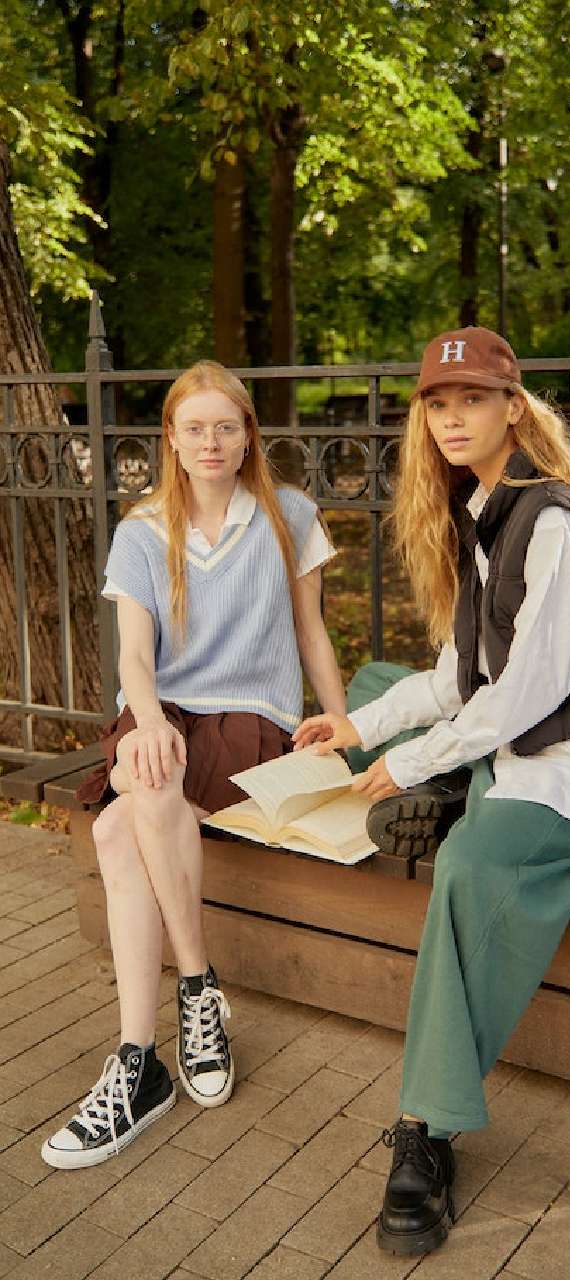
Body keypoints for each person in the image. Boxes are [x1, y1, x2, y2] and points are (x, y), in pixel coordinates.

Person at [293, 326, 570, 1258]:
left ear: (514, 409)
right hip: (511, 739)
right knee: (374, 687)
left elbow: (526, 694)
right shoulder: (485, 510)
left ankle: (427, 1125)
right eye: (438, 405)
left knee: (468, 868)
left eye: (472, 401)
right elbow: (460, 674)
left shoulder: (553, 523)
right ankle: (454, 779)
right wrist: (362, 727)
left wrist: (409, 762)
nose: (452, 419)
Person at [41, 361, 345, 1169]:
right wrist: (145, 720)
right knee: (144, 786)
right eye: (194, 427)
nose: (211, 441)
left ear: (248, 436)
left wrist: (341, 721)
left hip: (252, 715)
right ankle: (192, 993)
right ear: (170, 439)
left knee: (118, 832)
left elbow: (311, 633)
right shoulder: (143, 530)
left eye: (225, 426)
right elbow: (134, 657)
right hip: (164, 713)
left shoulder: (288, 515)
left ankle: (140, 1060)